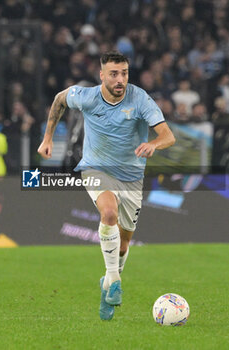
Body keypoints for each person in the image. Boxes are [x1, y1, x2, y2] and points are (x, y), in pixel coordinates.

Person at [38, 52, 175, 321]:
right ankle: (114, 280)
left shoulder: (140, 99)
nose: (120, 79)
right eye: (114, 73)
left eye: (124, 73)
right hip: (96, 168)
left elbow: (167, 136)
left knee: (123, 247)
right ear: (102, 75)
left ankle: (108, 280)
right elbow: (58, 100)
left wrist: (153, 144)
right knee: (108, 213)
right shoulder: (87, 96)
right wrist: (48, 139)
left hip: (132, 176)